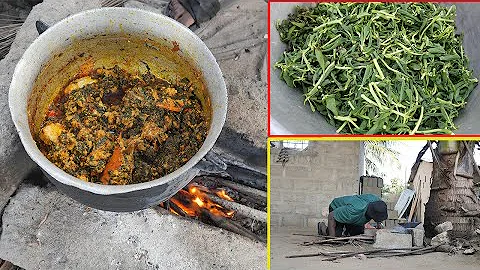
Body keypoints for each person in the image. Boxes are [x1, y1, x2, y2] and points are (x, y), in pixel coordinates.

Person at [318, 194, 388, 237]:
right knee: (336, 235)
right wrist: (332, 238)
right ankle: (322, 227)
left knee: (356, 234)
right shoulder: (354, 210)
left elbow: (379, 211)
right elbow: (331, 216)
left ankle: (346, 230)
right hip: (336, 207)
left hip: (351, 212)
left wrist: (379, 224)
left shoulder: (377, 202)